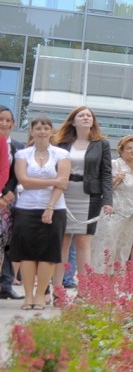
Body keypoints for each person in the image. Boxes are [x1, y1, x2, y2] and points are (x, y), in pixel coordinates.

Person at [54, 105, 113, 299]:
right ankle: (58, 290)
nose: (86, 117)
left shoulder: (101, 144)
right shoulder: (61, 143)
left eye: (89, 115)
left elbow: (106, 174)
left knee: (83, 242)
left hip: (90, 197)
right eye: (82, 115)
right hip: (64, 193)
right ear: (73, 120)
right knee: (63, 241)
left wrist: (108, 199)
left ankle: (84, 291)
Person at [11, 116, 69, 309]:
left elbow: (64, 182)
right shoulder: (22, 154)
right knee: (27, 253)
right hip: (26, 208)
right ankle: (28, 296)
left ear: (51, 131)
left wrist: (50, 207)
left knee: (48, 254)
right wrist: (53, 181)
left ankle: (39, 296)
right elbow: (24, 181)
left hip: (55, 209)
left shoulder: (61, 154)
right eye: (38, 128)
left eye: (46, 128)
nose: (42, 131)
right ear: (31, 131)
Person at [92, 135, 133, 274]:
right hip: (113, 215)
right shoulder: (115, 164)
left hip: (130, 218)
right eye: (129, 148)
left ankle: (115, 285)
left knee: (123, 250)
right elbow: (104, 187)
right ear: (121, 151)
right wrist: (116, 179)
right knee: (107, 248)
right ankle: (99, 282)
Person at [0, 107, 19, 299]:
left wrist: (8, 192)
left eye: (8, 120)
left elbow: (16, 173)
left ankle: (6, 284)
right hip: (1, 196)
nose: (4, 124)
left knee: (7, 244)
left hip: (9, 202)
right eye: (1, 119)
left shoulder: (17, 146)